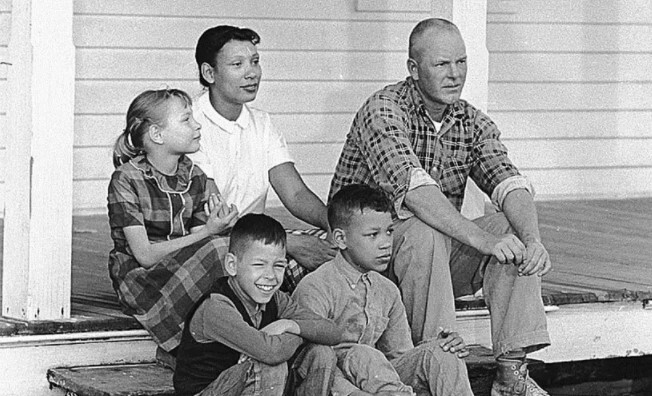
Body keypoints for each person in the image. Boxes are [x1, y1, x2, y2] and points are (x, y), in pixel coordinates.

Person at [329, 18, 551, 396]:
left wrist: (532, 240)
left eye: (461, 62)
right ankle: (441, 363)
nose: (455, 75)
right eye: (442, 64)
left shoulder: (470, 121)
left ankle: (511, 376)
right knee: (423, 226)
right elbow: (414, 191)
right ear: (414, 69)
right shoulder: (383, 109)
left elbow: (508, 181)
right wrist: (481, 240)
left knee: (510, 233)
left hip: (428, 266)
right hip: (367, 260)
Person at [189, 25, 337, 291]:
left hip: (258, 241)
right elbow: (215, 215)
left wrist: (333, 225)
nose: (252, 73)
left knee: (339, 254)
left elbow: (295, 194)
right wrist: (285, 242)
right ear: (209, 73)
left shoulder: (261, 123)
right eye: (237, 64)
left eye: (255, 62)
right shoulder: (190, 124)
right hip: (211, 242)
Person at [293, 184, 474, 396]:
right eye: (373, 235)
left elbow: (401, 357)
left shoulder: (387, 290)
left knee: (443, 352)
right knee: (363, 355)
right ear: (341, 239)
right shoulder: (316, 287)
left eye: (389, 232)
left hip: (380, 383)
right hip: (334, 386)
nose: (386, 243)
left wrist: (437, 347)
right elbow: (311, 363)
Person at [107, 88, 239, 352]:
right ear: (157, 134)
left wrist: (218, 226)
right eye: (186, 119)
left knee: (239, 250)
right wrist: (209, 233)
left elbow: (203, 242)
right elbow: (144, 255)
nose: (197, 125)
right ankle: (202, 346)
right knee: (221, 249)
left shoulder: (195, 175)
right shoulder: (126, 179)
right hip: (143, 278)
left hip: (183, 268)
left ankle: (232, 336)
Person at [173, 213, 342, 396]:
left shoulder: (276, 299)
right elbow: (271, 352)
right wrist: (303, 333)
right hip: (207, 392)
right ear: (232, 265)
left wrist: (290, 325)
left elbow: (332, 332)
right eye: (259, 265)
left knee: (321, 354)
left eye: (279, 265)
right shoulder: (216, 307)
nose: (270, 275)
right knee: (270, 366)